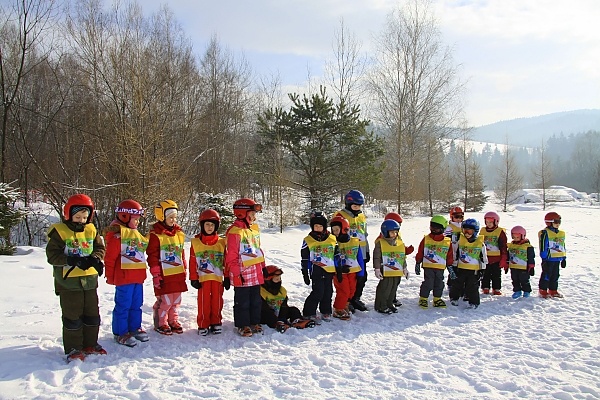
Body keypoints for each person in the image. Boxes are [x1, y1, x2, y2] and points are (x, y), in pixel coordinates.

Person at [46, 194, 106, 362]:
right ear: (68, 214)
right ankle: (73, 348)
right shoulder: (59, 231)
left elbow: (100, 248)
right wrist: (70, 259)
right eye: (78, 217)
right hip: (69, 281)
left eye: (85, 217)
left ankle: (90, 343)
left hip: (89, 281)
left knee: (92, 314)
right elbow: (52, 256)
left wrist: (95, 258)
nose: (81, 220)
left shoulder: (91, 229)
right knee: (73, 316)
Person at [104, 199, 149, 347]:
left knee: (137, 304)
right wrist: (109, 275)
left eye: (138, 220)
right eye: (135, 219)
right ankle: (120, 332)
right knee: (123, 305)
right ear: (125, 217)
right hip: (124, 277)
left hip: (137, 277)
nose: (137, 223)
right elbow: (110, 258)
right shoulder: (118, 237)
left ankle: (134, 327)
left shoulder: (135, 235)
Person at [225, 198, 267, 337]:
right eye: (252, 214)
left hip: (255, 273)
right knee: (242, 302)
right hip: (242, 274)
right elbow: (231, 257)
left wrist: (263, 266)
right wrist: (236, 273)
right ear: (242, 213)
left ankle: (254, 321)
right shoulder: (234, 232)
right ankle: (242, 324)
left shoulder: (253, 229)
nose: (254, 217)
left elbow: (257, 249)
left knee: (256, 300)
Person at [147, 200, 188, 335]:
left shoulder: (178, 233)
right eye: (170, 217)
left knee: (176, 300)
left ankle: (172, 320)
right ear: (162, 217)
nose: (173, 220)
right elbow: (152, 255)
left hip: (177, 272)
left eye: (175, 217)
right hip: (164, 274)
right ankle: (161, 322)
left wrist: (184, 268)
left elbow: (181, 252)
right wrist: (156, 274)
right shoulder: (156, 235)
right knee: (165, 300)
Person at [189, 209, 227, 336]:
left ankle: (216, 321)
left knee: (217, 301)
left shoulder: (222, 242)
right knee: (203, 302)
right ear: (202, 225)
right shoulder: (196, 243)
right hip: (203, 278)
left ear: (216, 226)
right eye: (207, 224)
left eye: (212, 225)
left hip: (217, 278)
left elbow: (227, 261)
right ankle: (203, 323)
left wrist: (227, 277)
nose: (209, 227)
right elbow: (192, 261)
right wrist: (193, 278)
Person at [301, 210, 340, 323]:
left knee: (328, 292)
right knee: (318, 292)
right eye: (315, 226)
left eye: (320, 226)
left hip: (329, 270)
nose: (318, 228)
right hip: (316, 270)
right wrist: (305, 271)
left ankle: (326, 311)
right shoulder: (308, 240)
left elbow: (336, 255)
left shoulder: (332, 238)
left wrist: (339, 269)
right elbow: (304, 257)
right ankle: (309, 312)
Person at [334, 190, 369, 312]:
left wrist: (367, 251)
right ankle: (347, 301)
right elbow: (335, 235)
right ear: (348, 204)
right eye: (355, 206)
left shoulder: (361, 216)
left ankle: (356, 298)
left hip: (360, 252)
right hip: (347, 254)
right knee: (350, 280)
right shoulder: (340, 215)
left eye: (359, 206)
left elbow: (364, 234)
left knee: (362, 277)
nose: (357, 208)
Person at [260, 265, 316, 332]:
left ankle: (297, 321)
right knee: (268, 314)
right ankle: (277, 324)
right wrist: (277, 320)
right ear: (268, 281)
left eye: (280, 279)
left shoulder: (282, 291)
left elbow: (284, 305)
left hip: (279, 312)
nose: (279, 281)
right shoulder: (261, 291)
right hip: (267, 315)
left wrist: (282, 318)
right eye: (276, 279)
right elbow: (264, 309)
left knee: (293, 310)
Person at [415, 215, 454, 308]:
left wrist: (450, 267)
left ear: (443, 229)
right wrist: (418, 262)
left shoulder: (447, 241)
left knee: (439, 283)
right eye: (432, 227)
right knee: (428, 282)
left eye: (437, 228)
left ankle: (437, 298)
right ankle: (423, 298)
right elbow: (420, 251)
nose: (434, 230)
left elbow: (449, 255)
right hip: (428, 266)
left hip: (440, 267)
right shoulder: (426, 239)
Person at [329, 215, 364, 320]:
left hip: (353, 270)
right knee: (343, 290)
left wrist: (361, 273)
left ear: (344, 229)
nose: (335, 232)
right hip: (340, 272)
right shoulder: (332, 242)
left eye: (337, 229)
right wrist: (337, 268)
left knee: (352, 290)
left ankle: (345, 304)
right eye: (333, 230)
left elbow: (359, 257)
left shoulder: (354, 241)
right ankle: (338, 308)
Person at [449, 218, 488, 309]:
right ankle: (454, 298)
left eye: (469, 231)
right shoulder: (460, 241)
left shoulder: (480, 244)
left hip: (473, 270)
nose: (466, 234)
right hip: (461, 268)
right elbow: (456, 254)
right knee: (457, 284)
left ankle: (474, 302)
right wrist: (454, 266)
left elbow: (483, 258)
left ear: (475, 231)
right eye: (464, 231)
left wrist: (482, 269)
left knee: (472, 286)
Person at [373, 219, 408, 314]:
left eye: (396, 232)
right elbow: (376, 257)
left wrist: (404, 268)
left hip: (396, 270)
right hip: (385, 270)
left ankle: (389, 303)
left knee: (393, 288)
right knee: (385, 288)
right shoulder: (380, 243)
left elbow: (402, 257)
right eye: (392, 232)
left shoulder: (399, 243)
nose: (395, 234)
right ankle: (381, 305)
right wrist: (377, 269)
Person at [379, 212, 414, 307]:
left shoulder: (396, 234)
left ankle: (392, 299)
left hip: (398, 263)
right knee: (387, 284)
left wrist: (406, 250)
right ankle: (384, 302)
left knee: (395, 282)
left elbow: (398, 247)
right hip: (387, 265)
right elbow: (387, 249)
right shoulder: (382, 237)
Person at [538, 212, 567, 298]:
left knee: (555, 275)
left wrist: (564, 257)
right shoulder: (545, 233)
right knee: (547, 274)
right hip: (549, 259)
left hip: (557, 258)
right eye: (556, 222)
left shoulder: (561, 233)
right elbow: (543, 245)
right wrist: (544, 257)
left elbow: (562, 245)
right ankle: (543, 290)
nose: (558, 224)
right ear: (549, 222)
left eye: (559, 221)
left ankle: (553, 290)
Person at [479, 211, 508, 295]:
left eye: (491, 222)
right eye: (487, 222)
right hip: (486, 257)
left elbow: (503, 245)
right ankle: (485, 287)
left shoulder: (499, 231)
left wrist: (504, 258)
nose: (489, 224)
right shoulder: (483, 230)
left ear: (496, 222)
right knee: (485, 274)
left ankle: (496, 288)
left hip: (496, 258)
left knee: (496, 274)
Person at [506, 226, 535, 299]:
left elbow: (531, 256)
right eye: (514, 237)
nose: (515, 239)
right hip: (514, 266)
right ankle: (517, 291)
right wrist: (506, 264)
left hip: (523, 267)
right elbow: (508, 255)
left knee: (524, 280)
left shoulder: (527, 246)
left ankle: (526, 291)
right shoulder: (511, 245)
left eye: (517, 237)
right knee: (515, 280)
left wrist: (531, 266)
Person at [445, 206, 464, 292]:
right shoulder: (449, 227)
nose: (459, 219)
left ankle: (460, 284)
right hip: (452, 249)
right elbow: (446, 238)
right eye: (456, 217)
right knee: (453, 267)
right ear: (452, 217)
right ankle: (451, 284)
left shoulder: (464, 226)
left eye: (461, 217)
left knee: (461, 268)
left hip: (462, 250)